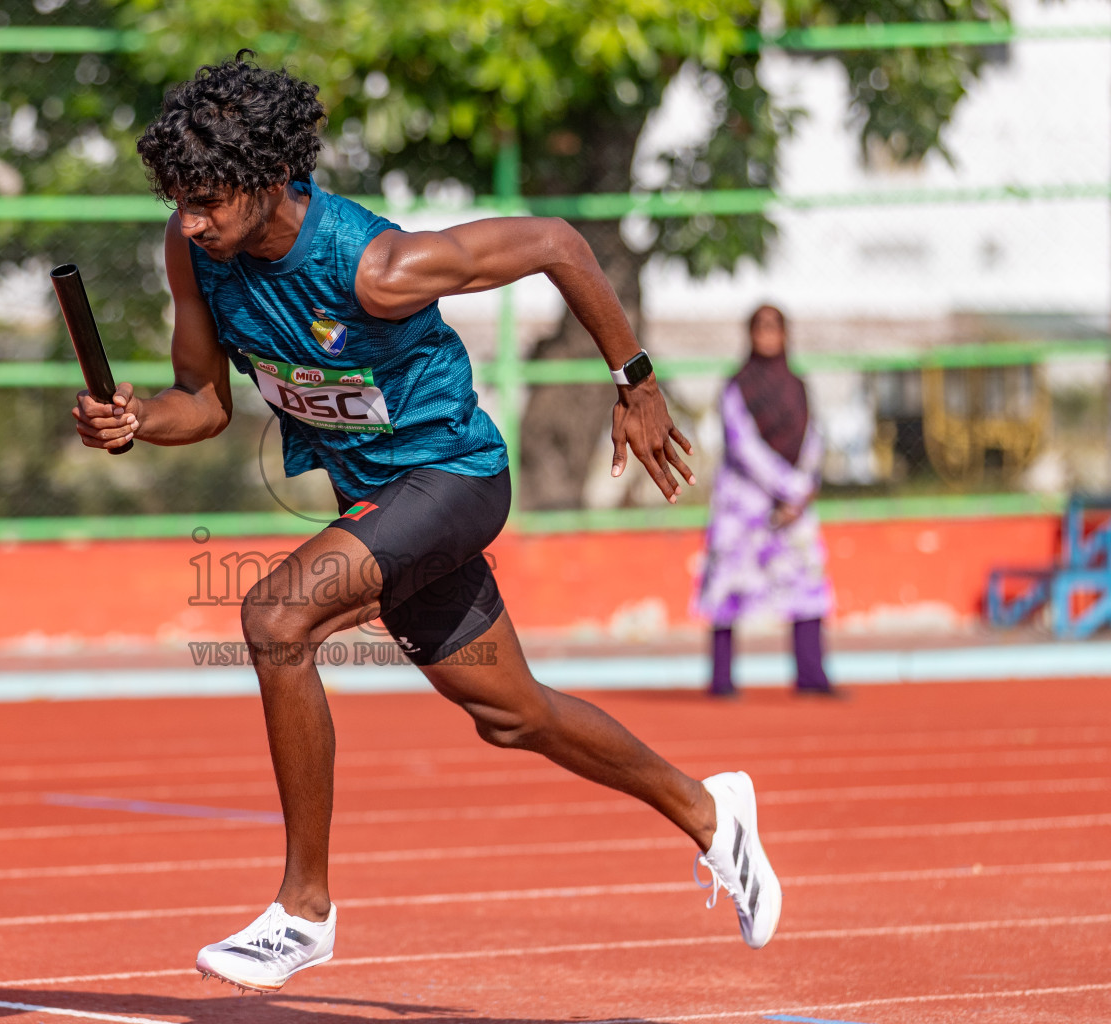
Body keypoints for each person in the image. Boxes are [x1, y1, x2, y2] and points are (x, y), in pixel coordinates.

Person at [72, 53, 781, 993]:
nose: (189, 221)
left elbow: (558, 243)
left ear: (267, 179)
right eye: (179, 201)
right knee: (513, 713)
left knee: (277, 617)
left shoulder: (376, 266)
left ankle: (303, 911)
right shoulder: (196, 252)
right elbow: (200, 401)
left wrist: (636, 382)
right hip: (378, 507)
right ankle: (711, 809)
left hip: (454, 479)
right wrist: (133, 420)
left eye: (206, 200)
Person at [697, 305, 836, 697]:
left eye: (775, 328)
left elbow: (813, 438)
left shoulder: (799, 384)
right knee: (728, 587)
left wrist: (802, 491)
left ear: (786, 334)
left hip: (795, 509)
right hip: (745, 503)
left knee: (807, 584)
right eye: (761, 328)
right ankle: (721, 679)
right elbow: (743, 446)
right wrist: (789, 488)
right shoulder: (736, 386)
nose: (768, 335)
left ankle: (812, 675)